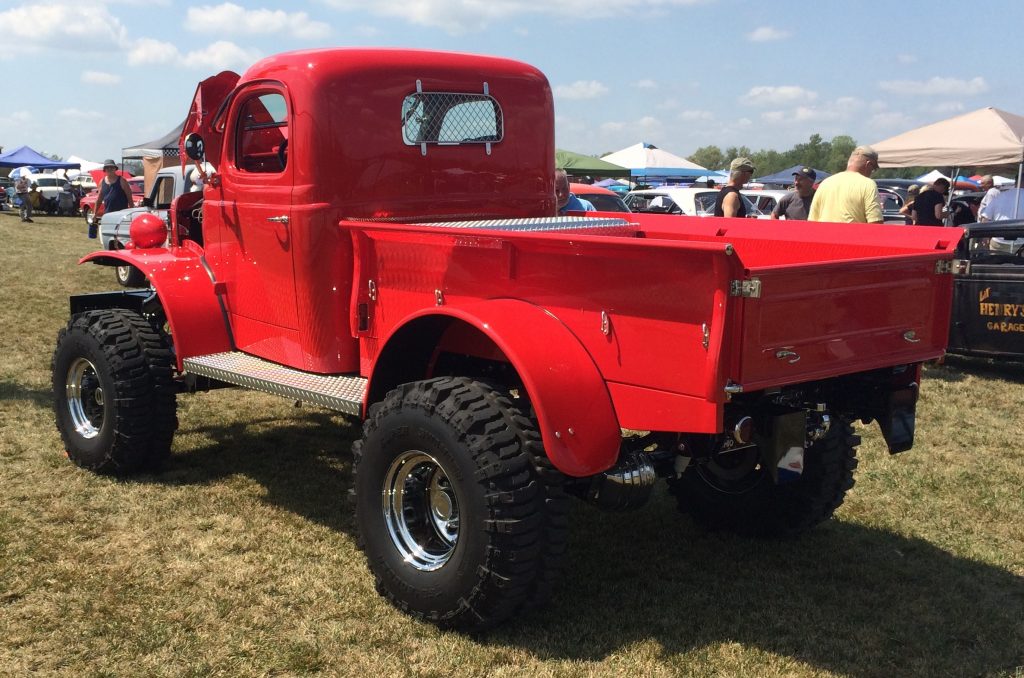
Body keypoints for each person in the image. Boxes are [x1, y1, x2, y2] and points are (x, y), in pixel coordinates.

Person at [808, 146, 883, 223]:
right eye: (873, 169)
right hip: (853, 235)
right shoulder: (868, 184)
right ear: (868, 164)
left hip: (824, 234)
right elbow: (875, 224)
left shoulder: (825, 183)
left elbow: (812, 221)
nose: (872, 172)